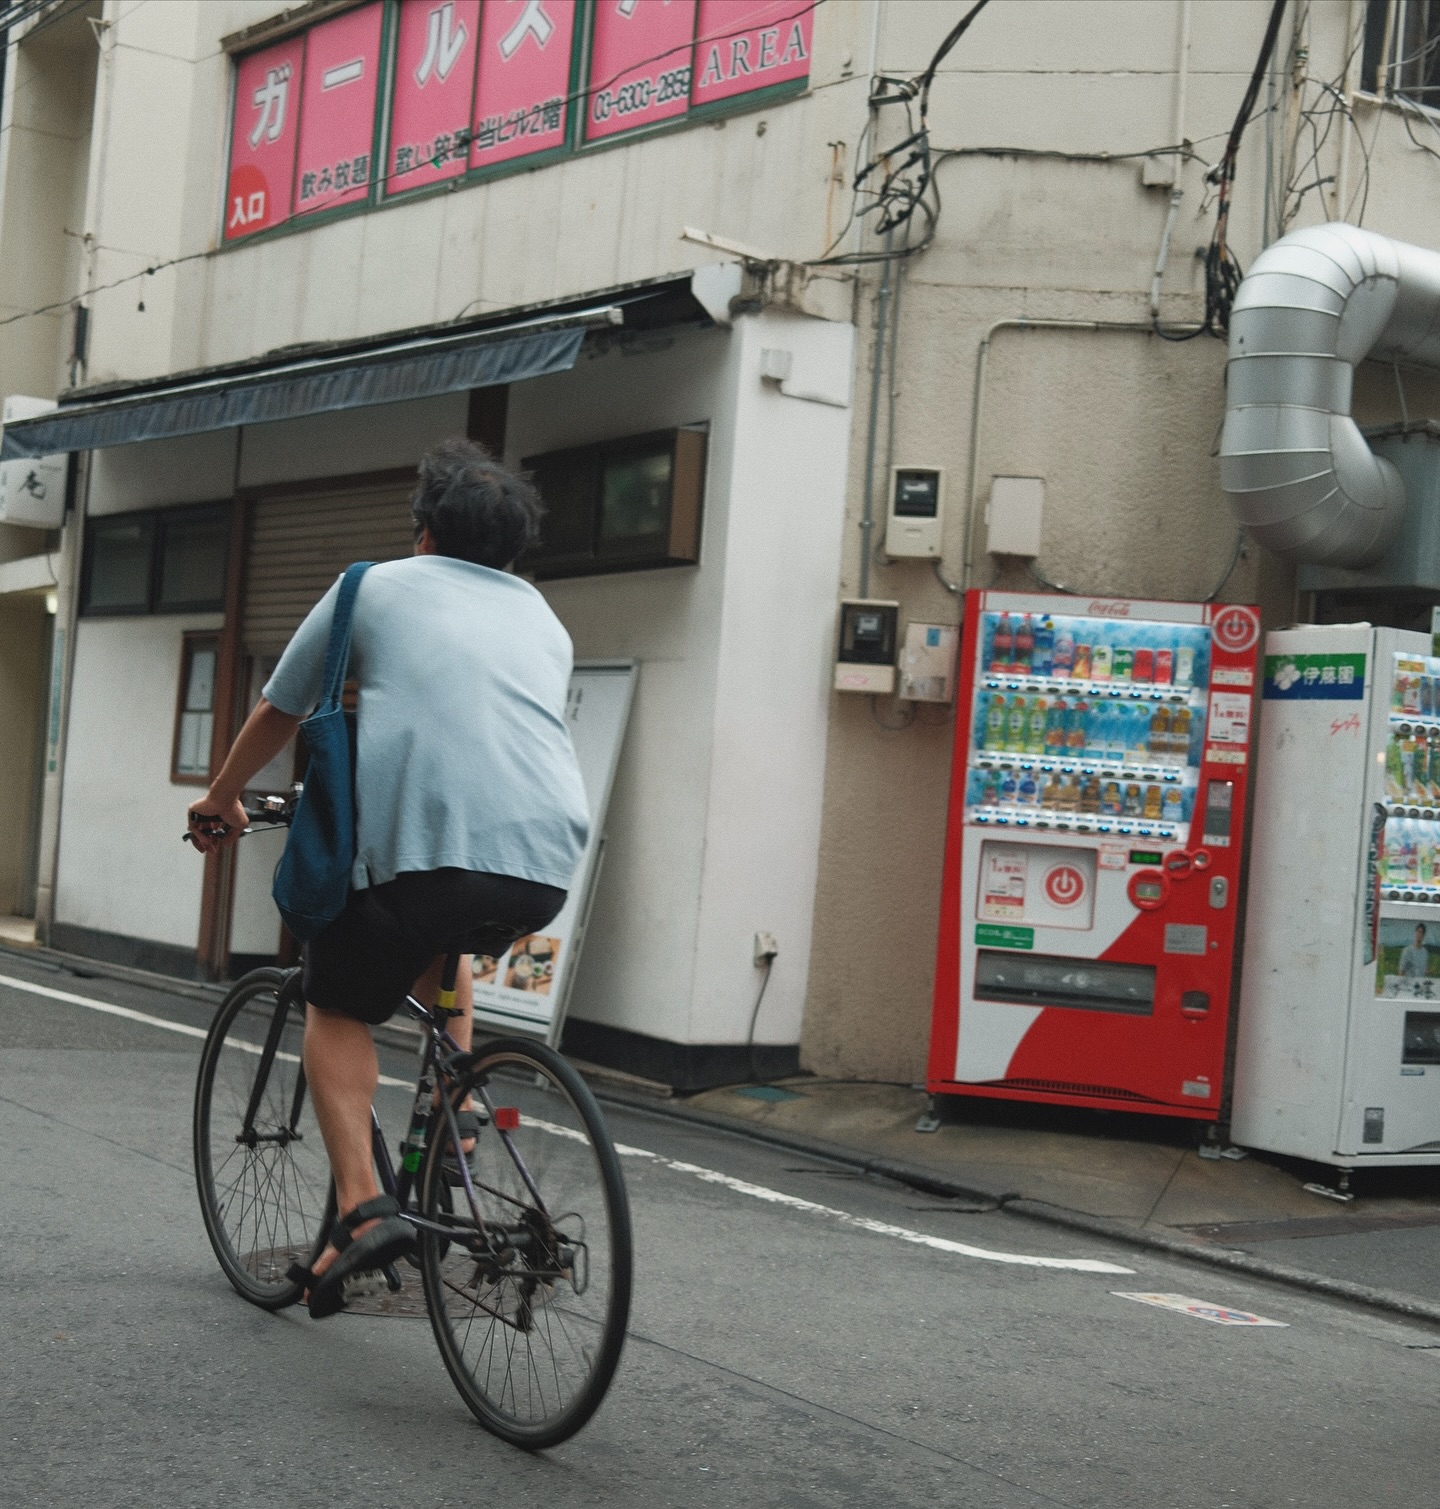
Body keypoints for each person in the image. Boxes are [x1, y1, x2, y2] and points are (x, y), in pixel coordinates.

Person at [187, 439, 589, 1318]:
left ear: (424, 532)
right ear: (513, 549)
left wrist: (221, 797)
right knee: (439, 943)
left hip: (425, 850)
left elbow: (281, 705)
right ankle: (455, 1120)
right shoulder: (543, 620)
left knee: (334, 1003)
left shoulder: (373, 588)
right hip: (544, 860)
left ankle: (367, 1206)